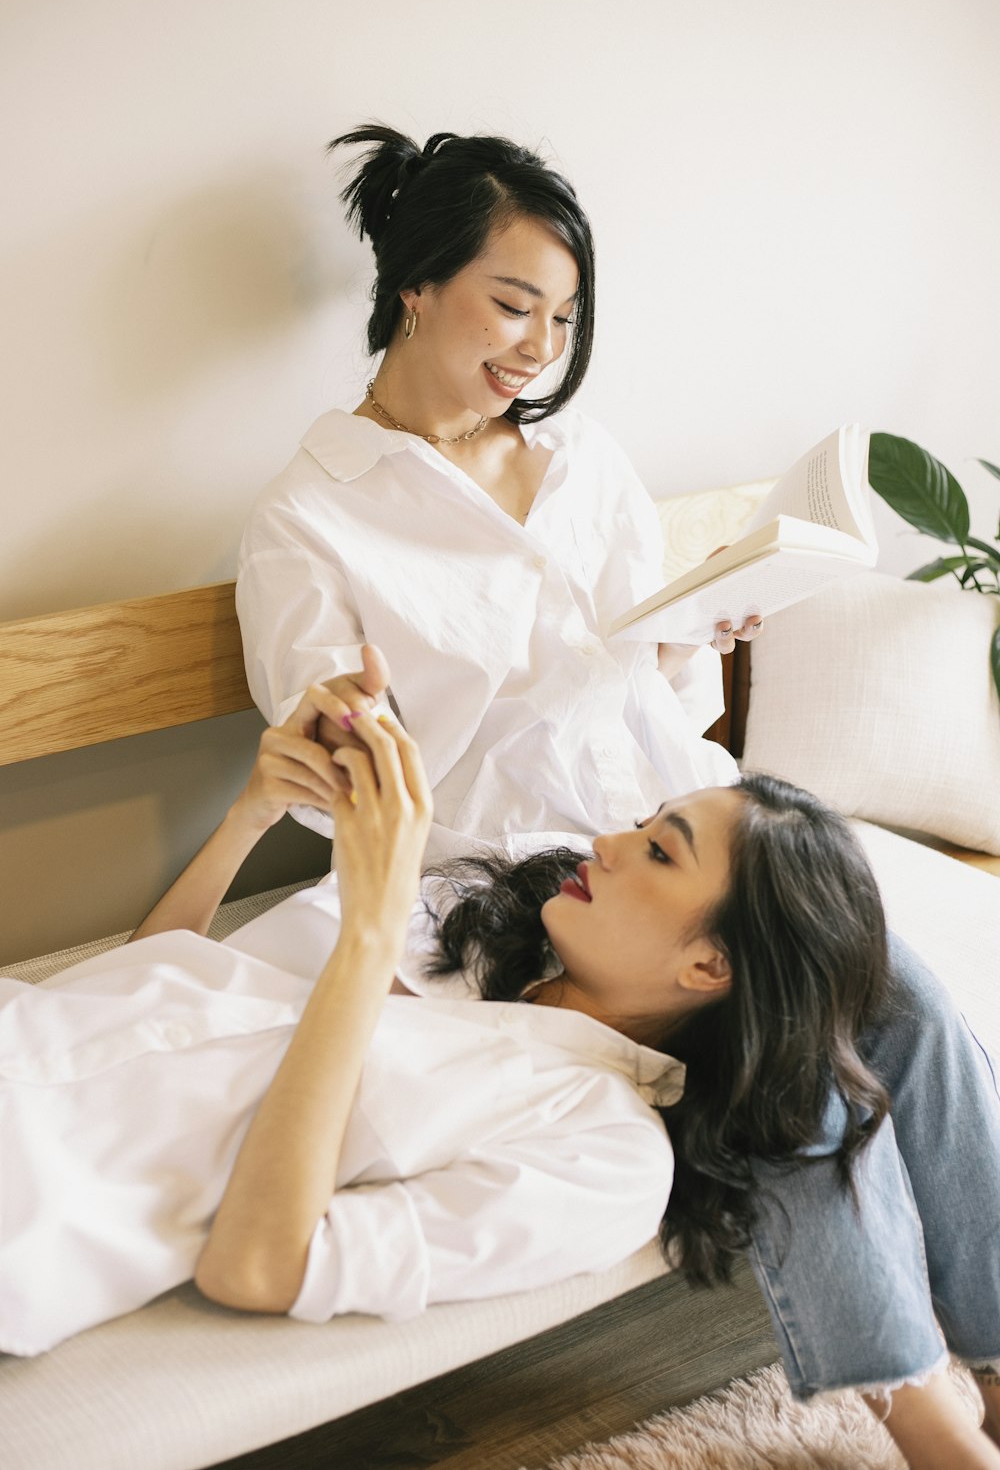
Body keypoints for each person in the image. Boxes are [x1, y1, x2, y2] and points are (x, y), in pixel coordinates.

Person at [2, 688, 998, 1470]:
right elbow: (143, 993)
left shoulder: (600, 1145)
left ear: (708, 969)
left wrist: (366, 926)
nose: (601, 841)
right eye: (641, 821)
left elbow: (256, 1265)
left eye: (655, 849)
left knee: (887, 980)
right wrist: (249, 818)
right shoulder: (466, 934)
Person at [235, 123, 765, 861]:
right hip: (500, 880)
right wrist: (343, 733)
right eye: (516, 308)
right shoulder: (309, 518)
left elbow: (636, 691)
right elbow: (339, 788)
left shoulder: (580, 456)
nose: (544, 350)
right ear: (416, 284)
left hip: (690, 834)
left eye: (562, 318)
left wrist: (693, 621)